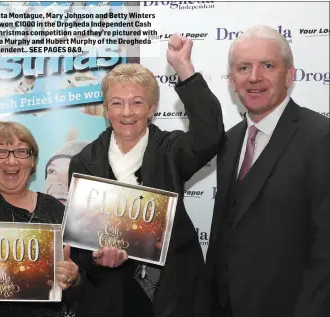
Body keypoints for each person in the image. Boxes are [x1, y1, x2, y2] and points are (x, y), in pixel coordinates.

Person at [0, 42, 121, 317]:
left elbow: (77, 285)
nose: (12, 160)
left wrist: (72, 278)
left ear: (33, 161)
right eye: (1, 152)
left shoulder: (57, 210)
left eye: (21, 151)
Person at [67, 34, 224, 317]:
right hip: (110, 295)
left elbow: (210, 135)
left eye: (137, 102)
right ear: (106, 109)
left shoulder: (171, 149)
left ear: (152, 109)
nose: (127, 112)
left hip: (172, 290)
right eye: (116, 103)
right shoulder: (83, 161)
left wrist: (184, 67)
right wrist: (97, 259)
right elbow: (80, 241)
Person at [196, 25, 330, 317]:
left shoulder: (321, 139)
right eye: (244, 68)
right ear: (232, 81)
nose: (254, 77)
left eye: (267, 65)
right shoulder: (229, 141)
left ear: (290, 75)